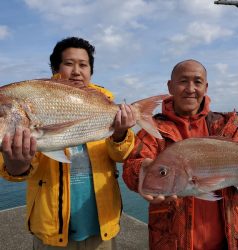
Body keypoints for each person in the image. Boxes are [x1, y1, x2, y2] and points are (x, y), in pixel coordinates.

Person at [0, 37, 136, 249]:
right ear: (56, 68)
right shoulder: (35, 100)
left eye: (83, 65)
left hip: (101, 226)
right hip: (51, 230)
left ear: (90, 71)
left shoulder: (107, 105)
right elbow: (16, 172)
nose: (76, 71)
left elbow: (121, 156)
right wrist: (16, 164)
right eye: (69, 64)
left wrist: (120, 133)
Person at [123, 59, 238, 250]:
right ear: (170, 86)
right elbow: (133, 165)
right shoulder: (153, 130)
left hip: (230, 241)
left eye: (197, 82)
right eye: (183, 81)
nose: (190, 88)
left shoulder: (225, 127)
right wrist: (141, 171)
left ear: (205, 87)